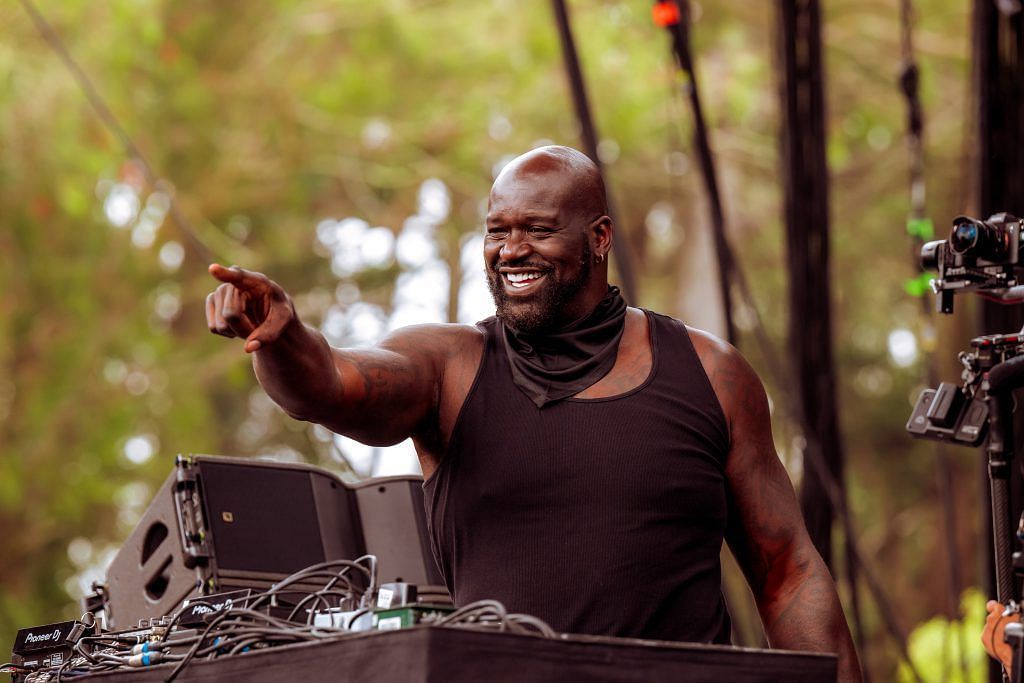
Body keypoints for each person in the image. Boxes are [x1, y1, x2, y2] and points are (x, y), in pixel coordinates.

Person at [206, 145, 862, 681]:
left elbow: (787, 574)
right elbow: (332, 386)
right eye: (497, 231)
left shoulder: (712, 374)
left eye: (538, 230)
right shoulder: (451, 365)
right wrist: (284, 339)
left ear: (599, 237)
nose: (511, 250)